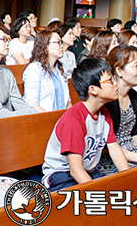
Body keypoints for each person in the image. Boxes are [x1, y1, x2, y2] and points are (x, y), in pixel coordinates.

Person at [42, 58, 130, 192]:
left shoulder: (104, 113)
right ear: (93, 89)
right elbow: (75, 170)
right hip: (62, 174)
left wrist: (129, 179)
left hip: (88, 170)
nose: (115, 83)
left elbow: (114, 149)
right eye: (110, 80)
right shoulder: (74, 119)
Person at [95, 45, 137, 176]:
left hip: (133, 151)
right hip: (111, 156)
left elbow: (136, 130)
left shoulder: (134, 96)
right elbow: (106, 145)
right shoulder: (108, 101)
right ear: (119, 71)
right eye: (136, 66)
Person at [23, 30, 71, 112]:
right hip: (44, 118)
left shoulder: (61, 67)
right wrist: (50, 119)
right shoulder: (34, 69)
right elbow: (32, 103)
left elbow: (68, 101)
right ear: (45, 45)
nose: (61, 46)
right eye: (58, 42)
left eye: (61, 42)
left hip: (63, 118)